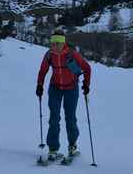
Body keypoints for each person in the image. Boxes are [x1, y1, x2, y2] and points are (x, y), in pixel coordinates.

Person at [36, 29, 92, 160]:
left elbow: (87, 68)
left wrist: (86, 85)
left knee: (70, 118)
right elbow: (43, 70)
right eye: (52, 43)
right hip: (55, 87)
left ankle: (72, 145)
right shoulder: (49, 54)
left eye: (57, 43)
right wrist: (39, 85)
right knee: (54, 118)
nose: (54, 46)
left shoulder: (72, 54)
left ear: (63, 43)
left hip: (71, 88)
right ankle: (53, 149)